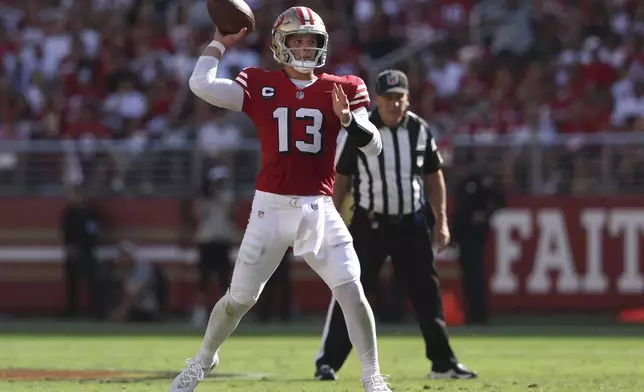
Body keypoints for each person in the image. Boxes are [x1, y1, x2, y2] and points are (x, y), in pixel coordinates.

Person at [168, 6, 391, 392]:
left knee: (352, 290)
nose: (305, 48)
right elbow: (200, 84)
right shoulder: (259, 83)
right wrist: (220, 41)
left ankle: (372, 377)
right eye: (297, 41)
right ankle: (203, 360)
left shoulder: (344, 87)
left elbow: (375, 147)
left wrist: (350, 121)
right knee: (238, 299)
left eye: (312, 41)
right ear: (280, 44)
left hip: (319, 209)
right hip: (270, 208)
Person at [313, 69, 477, 381]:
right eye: (388, 98)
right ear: (376, 99)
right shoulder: (360, 129)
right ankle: (328, 363)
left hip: (410, 224)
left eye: (399, 97)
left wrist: (441, 221)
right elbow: (342, 179)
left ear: (407, 98)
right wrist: (331, 221)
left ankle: (442, 363)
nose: (394, 104)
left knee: (427, 294)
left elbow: (434, 176)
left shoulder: (419, 129)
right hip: (369, 223)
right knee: (350, 292)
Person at [452, 159, 505, 325]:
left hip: (475, 236)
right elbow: (459, 212)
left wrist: (485, 214)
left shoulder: (480, 183)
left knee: (476, 276)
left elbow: (499, 200)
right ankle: (471, 313)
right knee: (469, 277)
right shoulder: (462, 184)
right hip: (463, 236)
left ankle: (479, 313)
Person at [191, 166, 236, 327]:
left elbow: (229, 212)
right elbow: (198, 215)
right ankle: (200, 313)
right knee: (203, 279)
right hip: (207, 240)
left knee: (224, 279)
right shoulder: (203, 200)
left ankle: (226, 313)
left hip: (222, 240)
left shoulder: (227, 197)